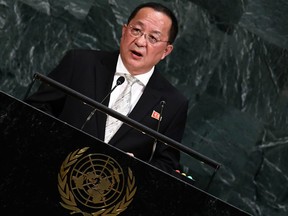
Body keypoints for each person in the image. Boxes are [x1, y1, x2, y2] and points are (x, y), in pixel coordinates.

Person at [25, 2, 188, 173]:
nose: (140, 41)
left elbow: (167, 165)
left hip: (111, 194)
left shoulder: (173, 103)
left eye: (153, 38)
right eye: (136, 30)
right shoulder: (79, 63)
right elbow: (34, 109)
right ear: (124, 31)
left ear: (166, 51)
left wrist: (137, 169)